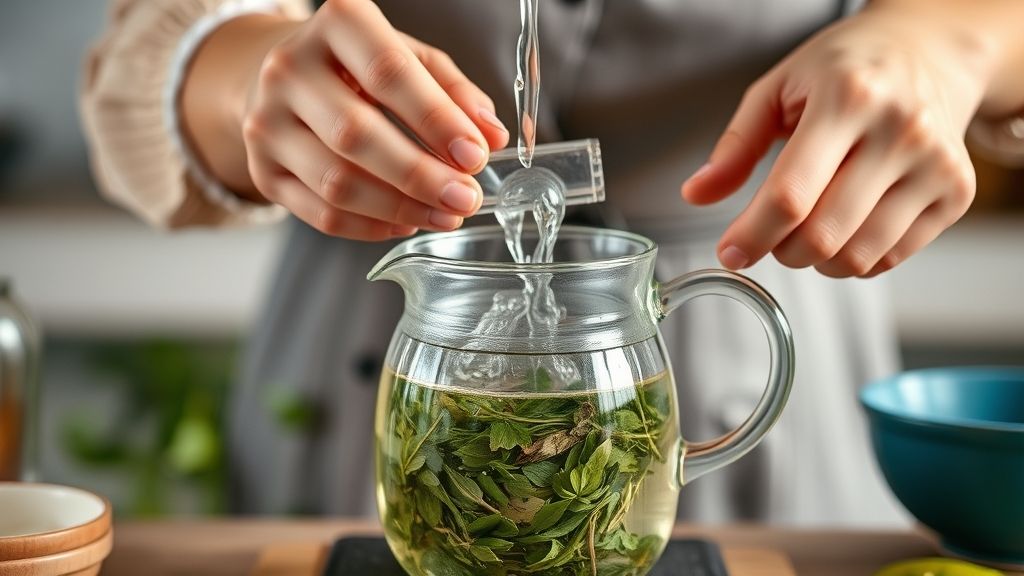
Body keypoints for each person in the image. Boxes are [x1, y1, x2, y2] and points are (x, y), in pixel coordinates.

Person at [81, 0, 1024, 525]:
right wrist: (248, 75)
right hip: (370, 331)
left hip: (758, 335)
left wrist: (945, 44)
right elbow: (137, 52)